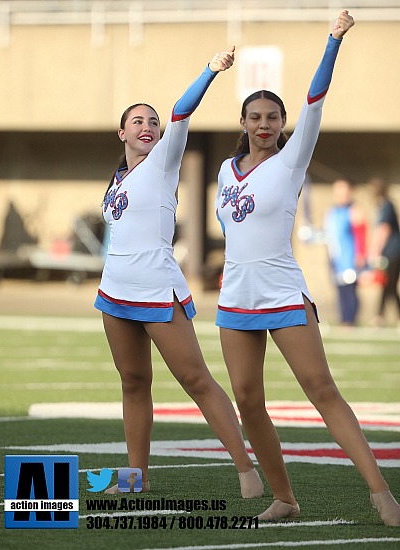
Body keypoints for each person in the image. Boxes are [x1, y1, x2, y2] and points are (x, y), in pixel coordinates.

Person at [214, 11, 400, 525]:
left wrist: (333, 41)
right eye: (256, 117)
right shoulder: (225, 173)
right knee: (248, 401)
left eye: (274, 117)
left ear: (282, 124)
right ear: (244, 123)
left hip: (282, 292)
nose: (265, 124)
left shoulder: (292, 159)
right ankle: (285, 498)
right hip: (235, 298)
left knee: (322, 390)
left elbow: (315, 99)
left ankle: (381, 493)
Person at [94, 47, 264, 499]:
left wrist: (209, 70)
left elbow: (181, 110)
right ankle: (136, 480)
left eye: (153, 122)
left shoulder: (164, 160)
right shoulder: (117, 180)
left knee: (196, 380)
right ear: (121, 133)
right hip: (113, 293)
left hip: (156, 288)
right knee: (133, 383)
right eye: (138, 122)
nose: (148, 127)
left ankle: (247, 470)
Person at [324, 178, 367, 326]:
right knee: (340, 290)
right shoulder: (332, 211)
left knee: (350, 290)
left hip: (350, 257)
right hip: (335, 257)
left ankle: (350, 320)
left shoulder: (354, 210)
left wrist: (360, 254)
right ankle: (343, 320)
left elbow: (361, 233)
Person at [369, 177, 400, 326]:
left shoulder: (386, 206)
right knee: (386, 285)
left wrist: (375, 251)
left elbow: (384, 230)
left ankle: (382, 317)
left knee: (391, 286)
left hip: (392, 252)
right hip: (390, 252)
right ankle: (379, 317)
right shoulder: (384, 206)